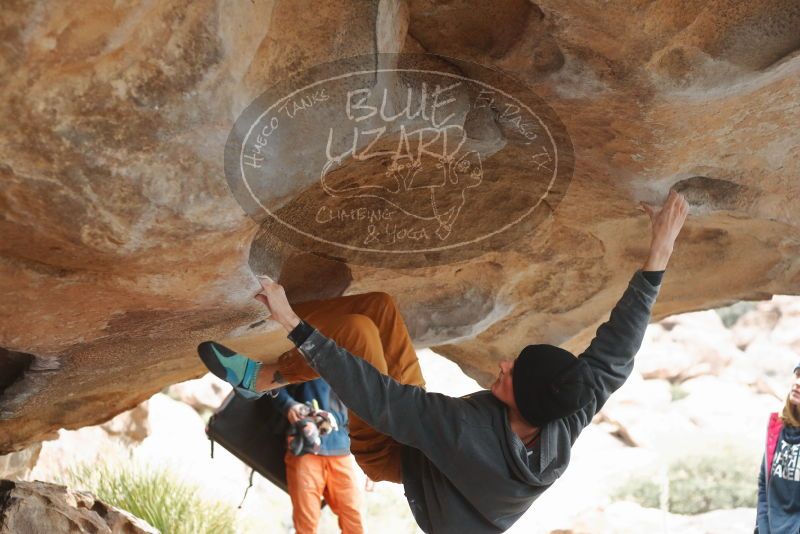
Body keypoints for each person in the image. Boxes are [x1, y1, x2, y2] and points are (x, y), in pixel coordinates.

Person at [199, 190, 689, 533]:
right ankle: (268, 339)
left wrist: (292, 322)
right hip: (430, 447)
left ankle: (264, 375)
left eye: (512, 374)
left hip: (394, 453)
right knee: (379, 308)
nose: (503, 365)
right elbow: (614, 356)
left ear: (524, 402)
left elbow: (381, 399)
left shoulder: (466, 433)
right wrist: (660, 251)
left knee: (356, 334)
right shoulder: (564, 409)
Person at [273, 378, 364, 534]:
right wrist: (288, 405)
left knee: (354, 522)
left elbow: (363, 404)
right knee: (306, 526)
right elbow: (269, 383)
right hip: (305, 448)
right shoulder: (299, 362)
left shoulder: (357, 368)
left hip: (341, 451)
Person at [755, 361, 800, 534]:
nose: (798, 383)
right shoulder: (777, 428)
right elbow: (764, 484)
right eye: (797, 375)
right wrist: (763, 527)